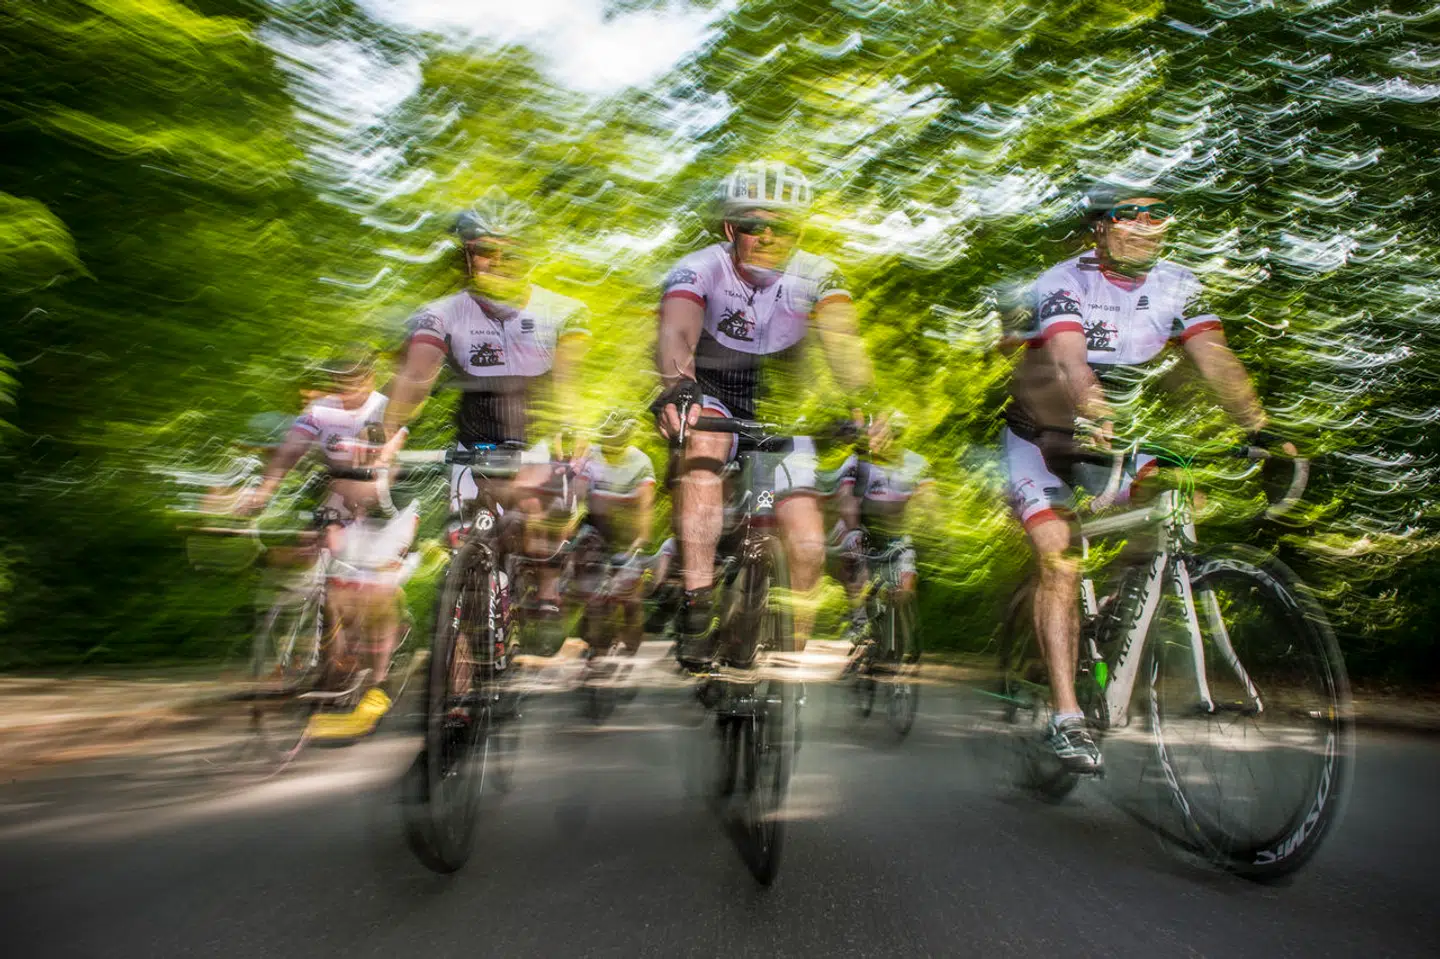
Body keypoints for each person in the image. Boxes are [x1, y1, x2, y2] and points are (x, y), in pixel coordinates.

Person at [1002, 182, 1295, 772]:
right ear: (1099, 228)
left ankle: (1119, 599)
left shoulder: (1177, 285)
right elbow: (1068, 357)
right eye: (1126, 217)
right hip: (1043, 440)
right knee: (1059, 557)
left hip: (1115, 442)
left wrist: (1258, 426)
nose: (1142, 227)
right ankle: (1066, 717)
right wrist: (1094, 408)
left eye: (1155, 216)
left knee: (1182, 499)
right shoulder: (1063, 280)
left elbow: (1213, 355)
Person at [653, 160, 874, 670]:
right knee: (702, 450)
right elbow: (677, 334)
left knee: (806, 546)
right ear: (731, 229)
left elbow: (845, 345)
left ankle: (770, 664)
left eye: (784, 226)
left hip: (781, 413)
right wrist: (676, 389)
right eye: (755, 224)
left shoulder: (819, 274)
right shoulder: (698, 268)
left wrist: (866, 402)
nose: (770, 236)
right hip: (712, 396)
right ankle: (698, 600)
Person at [384, 188, 590, 610]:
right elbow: (415, 379)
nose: (497, 262)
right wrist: (386, 436)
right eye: (484, 251)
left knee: (535, 522)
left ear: (529, 258)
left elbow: (568, 384)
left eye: (510, 253)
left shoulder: (563, 311)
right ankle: (462, 624)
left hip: (535, 442)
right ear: (467, 256)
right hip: (472, 446)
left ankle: (545, 589)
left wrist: (572, 428)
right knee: (463, 539)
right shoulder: (440, 312)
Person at [237, 348, 415, 739]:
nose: (346, 387)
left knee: (374, 590)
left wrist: (380, 454)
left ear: (370, 379)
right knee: (326, 572)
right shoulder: (320, 412)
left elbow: (390, 445)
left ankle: (379, 682)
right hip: (338, 503)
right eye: (339, 380)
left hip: (385, 504)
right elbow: (289, 452)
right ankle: (334, 661)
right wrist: (264, 491)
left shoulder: (387, 407)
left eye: (354, 380)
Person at [831, 411, 934, 651]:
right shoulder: (856, 463)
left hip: (898, 533)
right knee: (850, 550)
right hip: (861, 527)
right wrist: (854, 532)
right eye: (869, 430)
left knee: (905, 589)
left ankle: (899, 633)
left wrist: (931, 529)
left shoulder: (916, 463)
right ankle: (858, 620)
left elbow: (930, 503)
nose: (872, 436)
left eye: (878, 430)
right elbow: (846, 501)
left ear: (893, 433)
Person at [573, 413, 656, 656]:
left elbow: (645, 508)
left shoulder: (641, 463)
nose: (611, 445)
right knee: (589, 579)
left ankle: (630, 640)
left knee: (630, 594)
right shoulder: (591, 455)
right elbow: (578, 498)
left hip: (628, 532)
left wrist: (640, 541)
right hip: (596, 529)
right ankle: (593, 629)